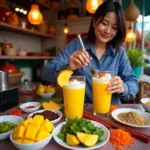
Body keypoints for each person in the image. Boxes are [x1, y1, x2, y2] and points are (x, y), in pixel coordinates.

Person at [42, 0, 139, 104]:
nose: (108, 31)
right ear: (94, 22)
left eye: (114, 28)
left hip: (110, 113)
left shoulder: (119, 53)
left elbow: (133, 84)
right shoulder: (76, 46)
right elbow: (46, 74)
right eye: (104, 23)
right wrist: (68, 67)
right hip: (82, 113)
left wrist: (123, 87)